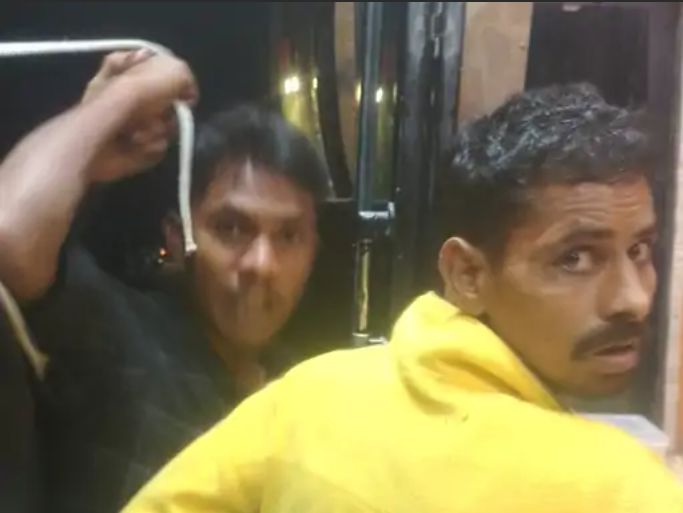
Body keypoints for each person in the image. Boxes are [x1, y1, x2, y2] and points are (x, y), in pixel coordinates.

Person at [123, 83, 683, 513]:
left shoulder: (308, 394)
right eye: (575, 258)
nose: (632, 299)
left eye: (640, 250)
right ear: (466, 274)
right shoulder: (627, 490)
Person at [0, 51, 330, 513]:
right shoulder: (120, 337)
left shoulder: (308, 391)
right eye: (232, 228)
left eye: (288, 236)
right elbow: (9, 234)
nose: (262, 264)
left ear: (313, 252)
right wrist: (119, 99)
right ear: (178, 239)